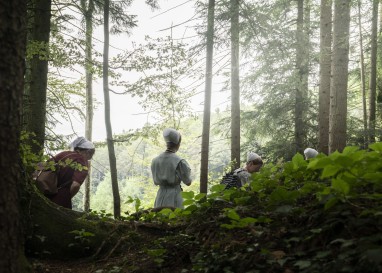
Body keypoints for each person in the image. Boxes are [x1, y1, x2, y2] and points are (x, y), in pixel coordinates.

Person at [48, 137, 95, 209]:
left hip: (45, 190)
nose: (90, 157)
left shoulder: (63, 154)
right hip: (60, 197)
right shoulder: (82, 161)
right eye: (91, 154)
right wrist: (67, 198)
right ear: (87, 152)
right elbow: (75, 185)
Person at [151, 128, 192, 209]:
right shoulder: (179, 161)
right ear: (178, 144)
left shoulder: (155, 160)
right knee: (175, 219)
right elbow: (188, 182)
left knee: (159, 219)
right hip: (174, 196)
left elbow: (155, 181)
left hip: (160, 196)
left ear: (167, 143)